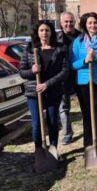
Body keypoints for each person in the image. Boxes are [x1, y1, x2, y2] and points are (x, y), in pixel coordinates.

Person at [19, 20, 68, 156]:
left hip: (53, 90)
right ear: (37, 32)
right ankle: (39, 152)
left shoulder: (59, 48)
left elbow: (64, 71)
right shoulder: (30, 49)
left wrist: (47, 84)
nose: (44, 33)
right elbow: (22, 71)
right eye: (41, 30)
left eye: (47, 30)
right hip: (34, 92)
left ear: (51, 32)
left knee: (52, 122)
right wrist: (32, 71)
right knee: (36, 125)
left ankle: (53, 151)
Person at [71, 12, 97, 148]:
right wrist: (85, 60)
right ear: (85, 25)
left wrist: (96, 57)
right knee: (87, 115)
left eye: (95, 22)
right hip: (83, 84)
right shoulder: (78, 42)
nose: (93, 25)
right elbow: (73, 64)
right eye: (90, 23)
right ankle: (88, 144)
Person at [57, 12, 81, 145]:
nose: (69, 24)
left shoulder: (81, 36)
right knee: (64, 107)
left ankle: (90, 131)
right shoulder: (56, 38)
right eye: (66, 22)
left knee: (86, 104)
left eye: (71, 21)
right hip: (63, 78)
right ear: (61, 23)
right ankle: (67, 134)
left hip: (79, 75)